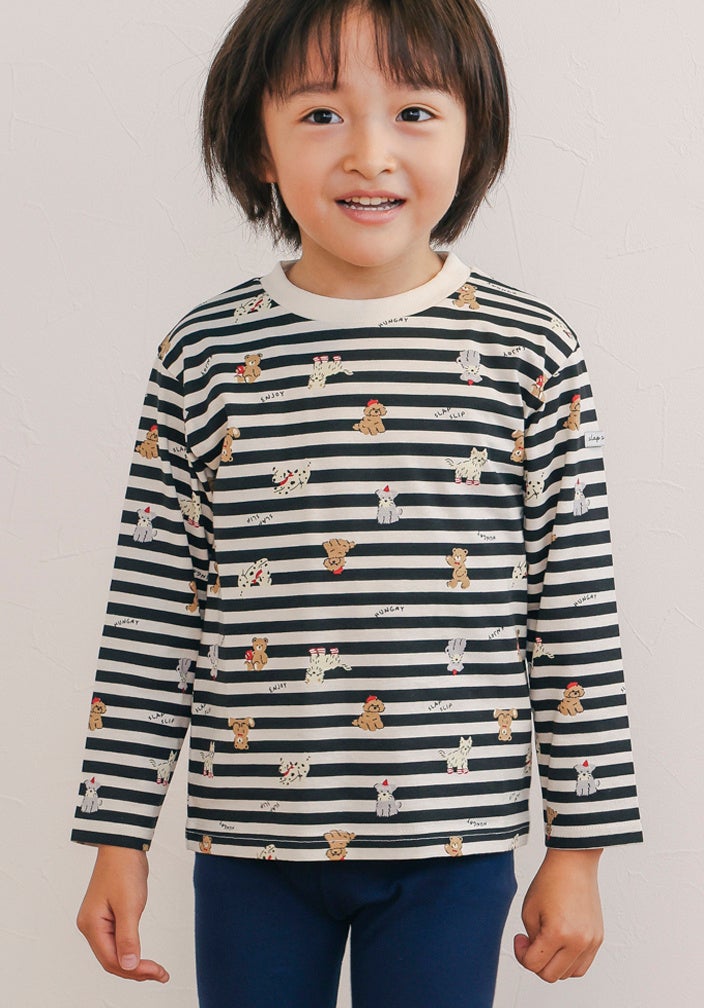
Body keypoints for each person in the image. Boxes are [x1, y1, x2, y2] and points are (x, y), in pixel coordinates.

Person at [71, 2, 644, 1005]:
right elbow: (153, 613)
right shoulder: (202, 356)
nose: (369, 154)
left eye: (414, 112)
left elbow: (573, 612)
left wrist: (579, 849)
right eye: (321, 114)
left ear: (472, 136)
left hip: (453, 846)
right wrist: (118, 837)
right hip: (250, 846)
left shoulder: (529, 353)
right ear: (259, 143)